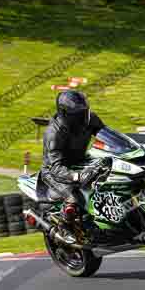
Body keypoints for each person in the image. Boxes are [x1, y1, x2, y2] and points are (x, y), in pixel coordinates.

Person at [41, 90, 111, 244]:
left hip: (81, 161)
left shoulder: (89, 119)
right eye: (78, 114)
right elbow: (56, 168)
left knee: (110, 174)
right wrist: (77, 177)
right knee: (74, 198)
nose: (82, 116)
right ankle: (65, 228)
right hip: (55, 172)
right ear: (66, 114)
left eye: (83, 111)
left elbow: (107, 135)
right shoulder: (54, 133)